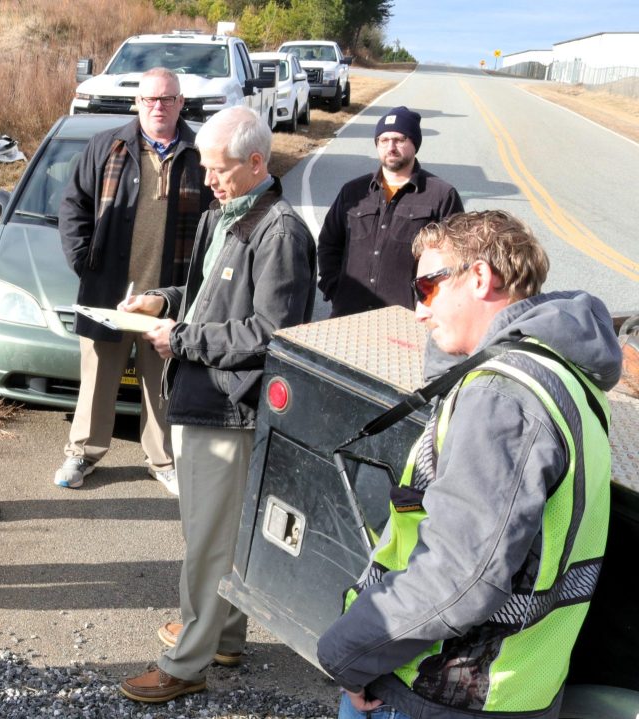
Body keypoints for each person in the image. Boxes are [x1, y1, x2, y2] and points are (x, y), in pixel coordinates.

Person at [317, 211, 619, 719]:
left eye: (427, 287)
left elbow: (459, 576)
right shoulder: (564, 370)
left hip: (435, 690)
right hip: (520, 684)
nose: (417, 310)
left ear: (480, 278)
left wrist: (346, 655)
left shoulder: (502, 395)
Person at [116, 106, 317, 703]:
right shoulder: (224, 216)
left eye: (219, 169)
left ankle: (184, 663)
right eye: (205, 167)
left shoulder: (278, 233)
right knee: (216, 534)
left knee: (206, 541)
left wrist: (182, 339)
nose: (208, 179)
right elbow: (206, 296)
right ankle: (224, 634)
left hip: (230, 408)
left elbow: (273, 333)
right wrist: (161, 300)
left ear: (258, 162)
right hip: (202, 395)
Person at [54, 67, 211, 494]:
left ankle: (162, 461)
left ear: (181, 103)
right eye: (150, 99)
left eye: (167, 99)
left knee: (162, 382)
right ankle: (82, 453)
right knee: (98, 378)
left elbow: (217, 215)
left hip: (169, 294)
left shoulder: (202, 151)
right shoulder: (108, 146)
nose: (158, 106)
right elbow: (73, 206)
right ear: (136, 103)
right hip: (110, 293)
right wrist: (84, 260)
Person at [317, 106, 463, 317]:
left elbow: (454, 260)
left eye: (399, 139)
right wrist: (334, 287)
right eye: (383, 140)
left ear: (415, 143)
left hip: (407, 318)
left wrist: (429, 303)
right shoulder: (353, 192)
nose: (391, 147)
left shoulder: (441, 195)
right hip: (348, 313)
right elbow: (330, 242)